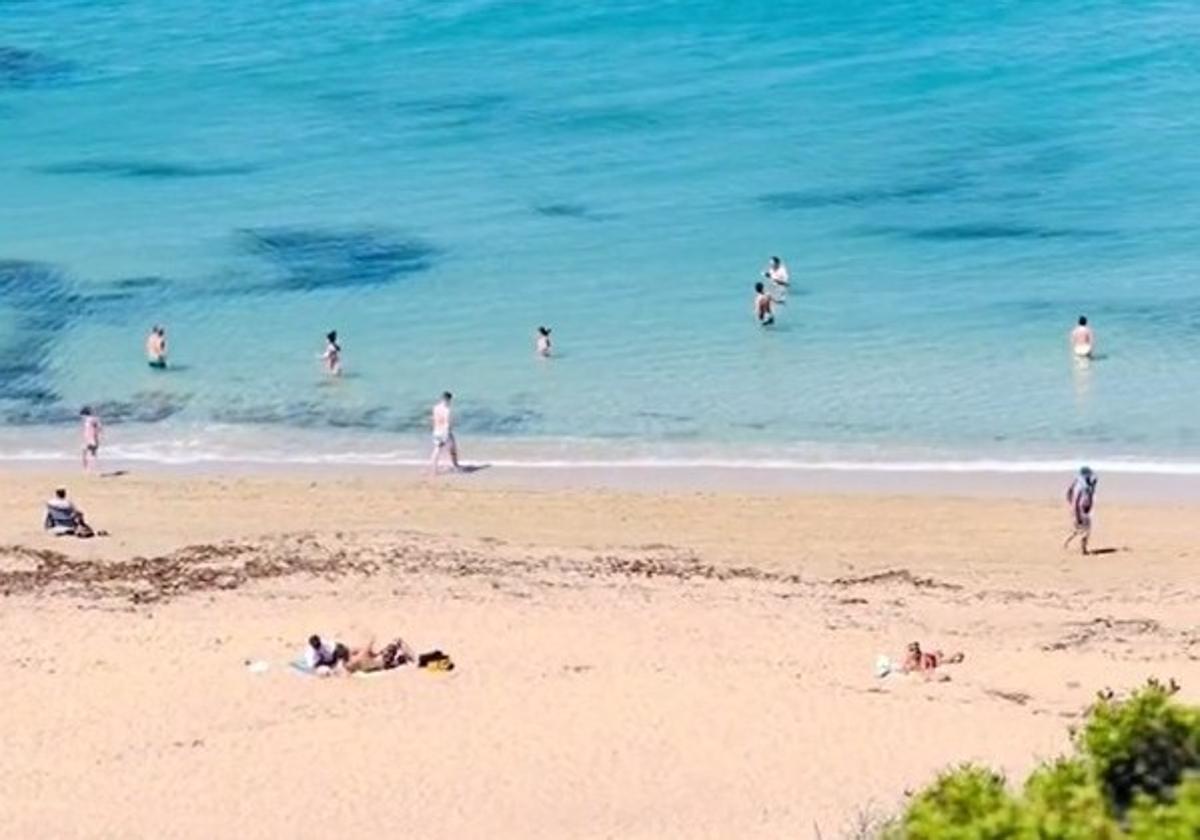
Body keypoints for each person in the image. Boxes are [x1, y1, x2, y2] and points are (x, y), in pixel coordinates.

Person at [1064, 466, 1098, 555]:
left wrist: (1093, 485)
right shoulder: (1081, 486)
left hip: (1082, 510)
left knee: (1078, 530)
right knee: (1086, 530)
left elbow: (1069, 494)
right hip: (1080, 511)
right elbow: (1076, 501)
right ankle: (1083, 550)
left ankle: (1066, 543)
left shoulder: (1081, 483)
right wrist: (1077, 514)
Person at [345, 636, 415, 673]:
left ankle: (407, 659)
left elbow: (371, 653)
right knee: (397, 641)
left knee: (402, 658)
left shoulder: (362, 666)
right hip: (384, 660)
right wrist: (372, 639)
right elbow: (366, 648)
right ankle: (415, 659)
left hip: (384, 664)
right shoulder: (360, 659)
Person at [430, 391, 461, 475]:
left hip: (436, 431)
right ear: (448, 399)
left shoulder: (435, 408)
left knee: (437, 450)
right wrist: (446, 435)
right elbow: (447, 424)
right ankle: (455, 466)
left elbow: (434, 420)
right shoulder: (447, 410)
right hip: (444, 432)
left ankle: (434, 469)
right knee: (452, 448)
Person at [80, 406, 101, 473]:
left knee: (86, 454)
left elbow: (97, 428)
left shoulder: (90, 420)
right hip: (91, 439)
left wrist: (94, 437)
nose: (82, 417)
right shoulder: (91, 420)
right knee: (92, 454)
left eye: (82, 415)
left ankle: (88, 469)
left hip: (91, 439)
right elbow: (98, 428)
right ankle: (92, 469)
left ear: (84, 414)